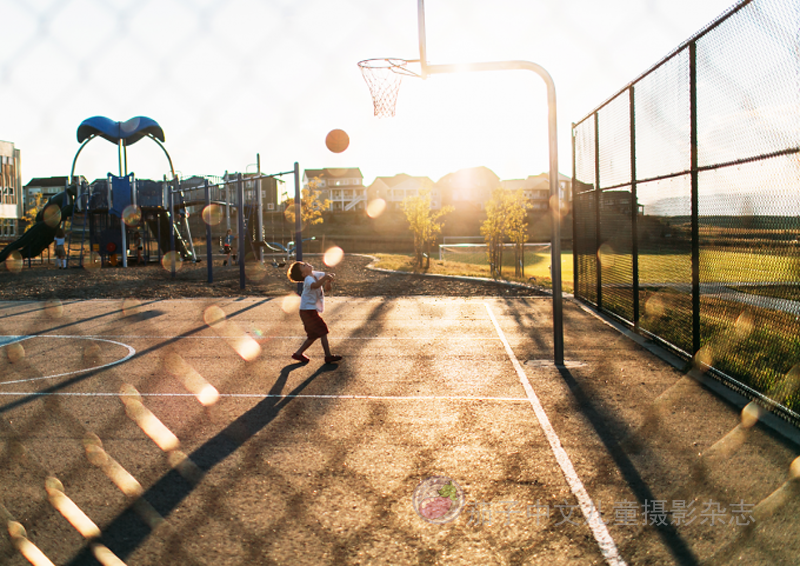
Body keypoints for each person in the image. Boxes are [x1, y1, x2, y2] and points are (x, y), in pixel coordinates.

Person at [287, 261, 342, 364]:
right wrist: (325, 279)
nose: (306, 263)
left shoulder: (315, 274)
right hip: (307, 312)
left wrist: (329, 279)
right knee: (323, 331)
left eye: (304, 263)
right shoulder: (308, 279)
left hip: (309, 311)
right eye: (303, 266)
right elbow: (316, 285)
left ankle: (298, 354)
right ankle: (328, 356)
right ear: (303, 274)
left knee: (313, 335)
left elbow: (326, 281)